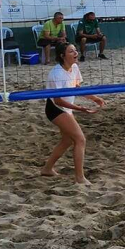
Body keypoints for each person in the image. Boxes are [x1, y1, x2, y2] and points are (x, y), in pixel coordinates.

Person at [41, 41, 103, 187]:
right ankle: (80, 178)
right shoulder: (56, 73)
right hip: (55, 109)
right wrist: (79, 108)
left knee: (67, 140)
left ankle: (47, 169)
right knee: (80, 139)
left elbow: (76, 87)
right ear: (62, 56)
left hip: (65, 109)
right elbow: (58, 100)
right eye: (71, 51)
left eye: (75, 50)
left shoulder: (74, 67)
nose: (76, 53)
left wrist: (94, 98)